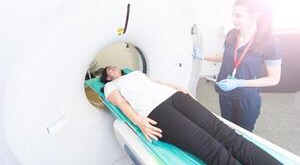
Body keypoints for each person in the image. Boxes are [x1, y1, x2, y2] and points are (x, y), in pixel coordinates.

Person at [100, 65, 281, 165]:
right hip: (155, 111)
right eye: (108, 69)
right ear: (107, 77)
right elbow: (121, 103)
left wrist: (177, 87)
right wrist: (139, 121)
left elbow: (155, 82)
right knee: (211, 147)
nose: (113, 67)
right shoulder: (110, 86)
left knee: (229, 136)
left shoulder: (136, 73)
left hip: (175, 96)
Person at [193, 0, 282, 132]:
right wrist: (203, 56)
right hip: (225, 93)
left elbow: (274, 79)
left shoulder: (269, 42)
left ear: (255, 15)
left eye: (238, 16)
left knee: (243, 136)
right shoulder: (232, 34)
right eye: (233, 15)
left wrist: (241, 82)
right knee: (227, 130)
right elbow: (225, 56)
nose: (233, 20)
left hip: (246, 98)